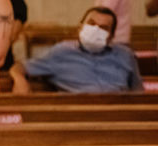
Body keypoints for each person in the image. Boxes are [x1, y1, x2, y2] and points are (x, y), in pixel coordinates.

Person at [12, 7, 142, 93]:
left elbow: (138, 92)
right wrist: (19, 79)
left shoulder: (125, 55)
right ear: (80, 27)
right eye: (91, 24)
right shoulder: (62, 52)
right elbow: (20, 67)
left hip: (118, 116)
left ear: (111, 36)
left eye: (103, 28)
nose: (96, 30)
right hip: (77, 116)